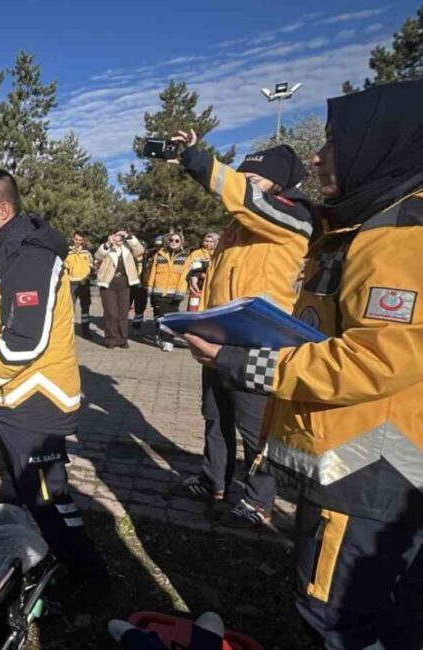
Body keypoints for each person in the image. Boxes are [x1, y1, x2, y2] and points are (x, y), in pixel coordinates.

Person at [185, 80, 423, 649]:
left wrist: (248, 362)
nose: (317, 154)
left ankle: (255, 496)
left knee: (334, 623)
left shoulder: (396, 237)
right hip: (358, 470)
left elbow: (375, 359)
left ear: (381, 144)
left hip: (367, 474)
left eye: (334, 141)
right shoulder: (358, 226)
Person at [0, 170, 108, 595]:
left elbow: (25, 341)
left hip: (36, 397)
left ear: (3, 210)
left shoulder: (30, 256)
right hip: (2, 393)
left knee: (45, 497)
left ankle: (88, 576)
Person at [170, 134, 314, 528]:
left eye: (255, 179)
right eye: (243, 176)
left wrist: (198, 161)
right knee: (215, 417)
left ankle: (258, 500)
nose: (246, 184)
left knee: (256, 428)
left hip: (257, 342)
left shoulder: (292, 214)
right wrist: (203, 285)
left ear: (278, 185)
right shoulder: (237, 226)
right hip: (218, 337)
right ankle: (214, 480)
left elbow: (244, 200)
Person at [94, 227, 146, 348]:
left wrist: (128, 236)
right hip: (108, 283)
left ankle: (122, 339)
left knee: (123, 313)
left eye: (121, 236)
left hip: (124, 284)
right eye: (116, 235)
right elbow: (98, 256)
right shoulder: (107, 248)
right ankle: (110, 339)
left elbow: (140, 250)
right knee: (111, 313)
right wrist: (108, 243)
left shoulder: (128, 248)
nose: (119, 238)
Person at [145, 231, 192, 351]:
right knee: (162, 317)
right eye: (171, 240)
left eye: (176, 240)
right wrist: (150, 287)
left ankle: (165, 338)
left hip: (174, 293)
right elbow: (153, 273)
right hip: (159, 292)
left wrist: (180, 292)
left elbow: (184, 276)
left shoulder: (185, 257)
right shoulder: (159, 255)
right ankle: (167, 341)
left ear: (181, 242)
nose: (173, 243)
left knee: (171, 318)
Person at [65, 230, 96, 339]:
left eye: (80, 240)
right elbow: (63, 267)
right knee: (69, 308)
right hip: (71, 283)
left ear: (83, 241)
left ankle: (85, 331)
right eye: (76, 239)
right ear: (73, 238)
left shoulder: (87, 253)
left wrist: (91, 273)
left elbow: (92, 265)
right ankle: (68, 332)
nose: (78, 242)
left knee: (85, 307)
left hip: (84, 283)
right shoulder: (66, 252)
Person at [185, 232, 218, 312]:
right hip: (197, 286)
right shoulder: (196, 253)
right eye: (206, 241)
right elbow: (187, 267)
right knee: (194, 308)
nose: (208, 243)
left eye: (211, 241)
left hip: (213, 287)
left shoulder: (219, 254)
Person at [130, 236, 154, 332]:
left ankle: (136, 326)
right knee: (125, 306)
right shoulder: (129, 258)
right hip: (131, 285)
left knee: (140, 308)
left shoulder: (148, 258)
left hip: (142, 286)